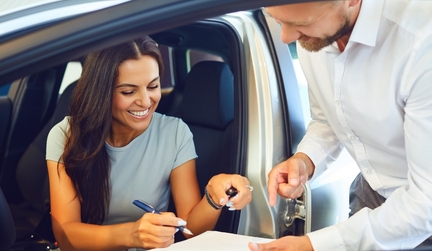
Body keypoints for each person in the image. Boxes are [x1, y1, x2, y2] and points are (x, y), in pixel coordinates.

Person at [248, 0, 432, 250]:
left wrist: (315, 244)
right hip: (369, 195)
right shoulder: (313, 37)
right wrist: (305, 160)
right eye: (279, 21)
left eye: (301, 23)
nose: (286, 37)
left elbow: (425, 203)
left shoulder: (421, 43)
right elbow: (328, 118)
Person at [46, 36, 252, 251]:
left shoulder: (175, 133)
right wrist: (132, 234)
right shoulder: (67, 134)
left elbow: (190, 230)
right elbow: (65, 233)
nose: (145, 101)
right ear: (100, 93)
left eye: (153, 86)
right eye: (128, 91)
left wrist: (213, 196)